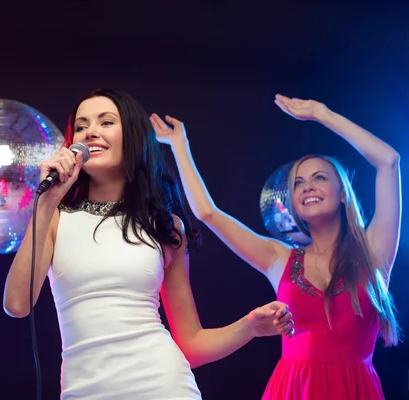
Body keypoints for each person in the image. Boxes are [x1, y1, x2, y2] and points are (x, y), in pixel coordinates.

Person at [3, 89, 295, 399]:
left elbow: (191, 344)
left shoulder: (166, 227)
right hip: (83, 391)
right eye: (82, 125)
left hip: (162, 386)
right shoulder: (55, 217)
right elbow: (17, 305)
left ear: (132, 136)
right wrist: (47, 201)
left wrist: (248, 326)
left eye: (106, 122)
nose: (90, 132)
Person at [150, 93, 401, 399]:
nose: (307, 185)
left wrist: (322, 114)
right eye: (298, 182)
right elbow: (207, 212)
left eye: (319, 178)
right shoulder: (278, 257)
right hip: (292, 390)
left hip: (355, 390)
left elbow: (389, 162)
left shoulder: (374, 252)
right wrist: (180, 146)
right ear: (293, 203)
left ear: (343, 193)